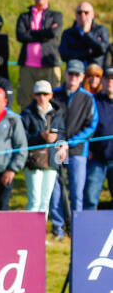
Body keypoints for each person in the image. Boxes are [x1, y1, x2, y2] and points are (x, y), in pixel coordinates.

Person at [50, 60, 97, 237]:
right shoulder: (54, 95)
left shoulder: (87, 98)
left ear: (82, 77)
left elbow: (91, 126)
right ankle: (58, 227)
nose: (73, 78)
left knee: (77, 191)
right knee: (56, 190)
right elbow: (50, 122)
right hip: (57, 148)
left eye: (77, 75)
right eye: (71, 74)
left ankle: (77, 228)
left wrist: (71, 142)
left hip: (78, 151)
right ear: (66, 74)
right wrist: (59, 143)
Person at [16, 0, 63, 109]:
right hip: (27, 67)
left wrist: (31, 32)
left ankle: (51, 127)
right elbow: (20, 35)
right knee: (26, 102)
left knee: (51, 102)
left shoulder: (56, 16)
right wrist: (43, 34)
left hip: (49, 65)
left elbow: (53, 33)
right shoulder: (24, 16)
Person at [20, 82, 64, 216]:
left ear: (51, 95)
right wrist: (41, 136)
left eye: (45, 94)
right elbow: (22, 138)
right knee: (34, 200)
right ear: (34, 95)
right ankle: (30, 235)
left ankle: (39, 236)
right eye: (39, 94)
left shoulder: (57, 112)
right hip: (34, 161)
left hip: (51, 160)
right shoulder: (27, 113)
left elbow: (63, 132)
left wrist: (59, 141)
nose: (42, 97)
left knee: (45, 202)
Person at [83, 69, 113, 208]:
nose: (110, 82)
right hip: (97, 157)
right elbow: (86, 125)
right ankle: (88, 229)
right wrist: (87, 148)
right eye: (107, 78)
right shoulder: (93, 100)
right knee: (90, 197)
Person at [60, 3, 109, 68]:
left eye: (86, 12)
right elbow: (64, 55)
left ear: (92, 15)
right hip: (75, 72)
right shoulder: (68, 33)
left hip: (95, 71)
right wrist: (87, 53)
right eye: (79, 12)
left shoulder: (101, 30)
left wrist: (87, 34)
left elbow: (103, 49)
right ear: (75, 15)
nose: (82, 15)